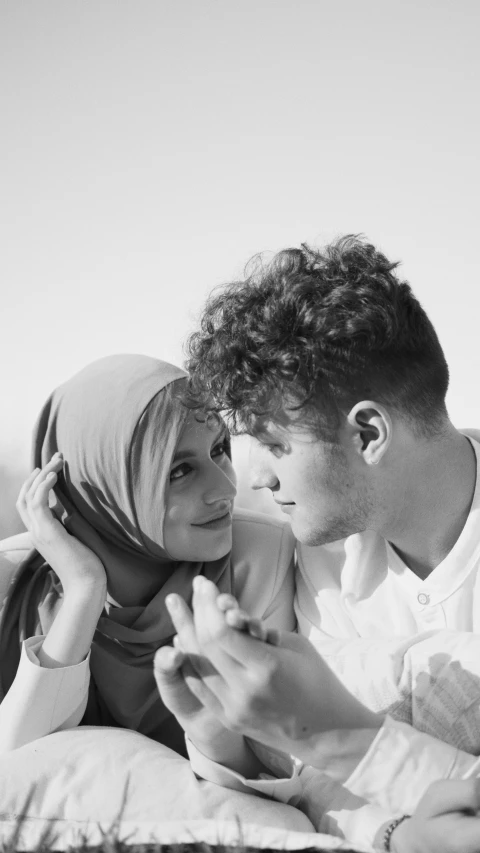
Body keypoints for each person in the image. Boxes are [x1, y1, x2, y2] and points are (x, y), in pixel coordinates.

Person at [149, 234, 480, 850]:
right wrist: (229, 740)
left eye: (275, 445)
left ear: (369, 431)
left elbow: (343, 748)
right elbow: (326, 784)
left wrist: (341, 735)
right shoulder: (323, 558)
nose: (254, 478)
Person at [0, 353, 297, 758]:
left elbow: (276, 764)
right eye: (179, 471)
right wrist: (85, 589)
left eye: (219, 450)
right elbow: (16, 768)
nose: (226, 490)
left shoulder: (260, 555)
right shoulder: (11, 580)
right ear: (103, 489)